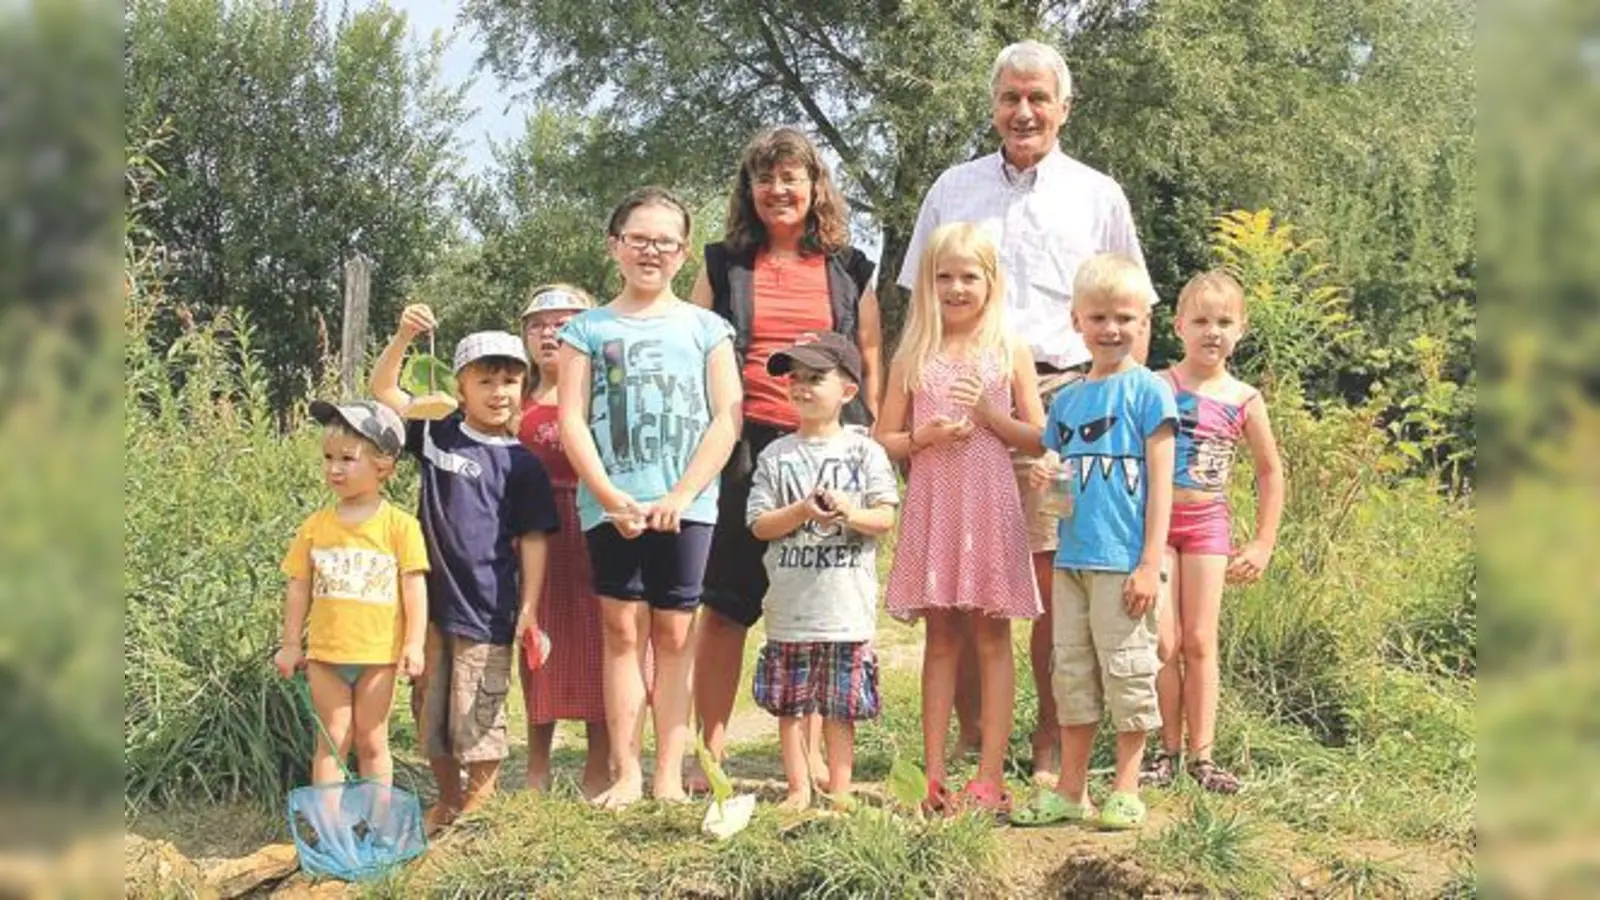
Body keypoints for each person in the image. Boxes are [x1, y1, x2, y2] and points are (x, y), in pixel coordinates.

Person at [898, 39, 1150, 782]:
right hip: (956, 394)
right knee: (962, 579)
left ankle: (1048, 739)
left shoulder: (1097, 193)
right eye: (1010, 98)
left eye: (1039, 97)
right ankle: (977, 746)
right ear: (993, 107)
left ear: (1064, 107)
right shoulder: (953, 186)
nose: (1024, 111)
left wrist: (1130, 402)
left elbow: (1132, 304)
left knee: (1043, 579)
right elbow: (918, 296)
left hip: (1065, 400)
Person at [689, 126, 883, 791]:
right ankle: (709, 757)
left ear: (814, 185)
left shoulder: (850, 266)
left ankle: (833, 770)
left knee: (831, 600)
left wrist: (871, 436)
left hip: (831, 445)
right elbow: (695, 351)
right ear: (749, 190)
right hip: (745, 446)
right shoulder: (722, 264)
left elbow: (871, 353)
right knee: (726, 604)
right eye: (764, 178)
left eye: (791, 177)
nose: (778, 190)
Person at [556, 186, 742, 808]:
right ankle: (627, 773)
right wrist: (608, 494)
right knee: (620, 630)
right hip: (611, 505)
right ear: (615, 246)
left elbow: (726, 420)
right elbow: (572, 420)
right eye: (639, 239)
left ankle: (669, 775)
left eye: (665, 241)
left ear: (684, 252)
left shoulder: (708, 328)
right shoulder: (586, 330)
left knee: (674, 632)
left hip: (687, 506)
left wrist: (683, 493)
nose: (651, 251)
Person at [876, 222, 1046, 815]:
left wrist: (988, 417)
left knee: (993, 636)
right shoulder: (914, 352)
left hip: (991, 502)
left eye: (968, 276)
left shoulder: (1008, 349)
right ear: (928, 283)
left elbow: (1040, 435)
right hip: (936, 504)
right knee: (942, 638)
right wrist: (921, 435)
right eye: (944, 276)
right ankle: (935, 773)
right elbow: (885, 438)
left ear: (991, 282)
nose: (955, 287)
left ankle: (991, 774)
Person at [371, 321, 559, 833]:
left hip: (489, 607)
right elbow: (383, 391)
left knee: (477, 710)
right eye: (485, 381)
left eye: (509, 381)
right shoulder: (436, 431)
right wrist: (404, 337)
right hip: (428, 607)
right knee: (430, 707)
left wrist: (529, 608)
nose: (498, 393)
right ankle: (447, 800)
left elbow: (536, 540)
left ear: (522, 387)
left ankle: (479, 807)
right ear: (460, 387)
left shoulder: (523, 465)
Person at [1011, 252, 1174, 831]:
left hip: (1124, 561)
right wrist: (1043, 478)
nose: (1112, 329)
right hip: (1072, 559)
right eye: (1099, 317)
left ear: (1144, 324)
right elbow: (1058, 479)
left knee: (1128, 671)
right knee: (1072, 674)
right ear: (1076, 320)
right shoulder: (1068, 402)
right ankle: (1071, 789)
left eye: (1126, 318)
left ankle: (1127, 786)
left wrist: (1151, 563)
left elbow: (1160, 485)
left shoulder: (1148, 392)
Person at [1141, 270, 1284, 794]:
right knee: (1164, 640)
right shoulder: (1158, 384)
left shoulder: (1245, 398)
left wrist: (1263, 541)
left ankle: (1202, 758)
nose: (1212, 332)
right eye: (1200, 320)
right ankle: (1164, 751)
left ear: (1241, 329)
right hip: (1157, 525)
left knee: (1201, 640)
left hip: (1207, 526)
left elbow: (1270, 472)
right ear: (1178, 327)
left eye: (1224, 322)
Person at [746, 333, 899, 810]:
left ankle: (840, 788)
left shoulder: (866, 452)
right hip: (790, 608)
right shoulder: (775, 455)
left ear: (848, 391)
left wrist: (848, 513)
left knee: (840, 706)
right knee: (791, 705)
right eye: (796, 379)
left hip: (845, 608)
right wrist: (803, 512)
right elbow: (758, 525)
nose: (803, 388)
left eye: (817, 378)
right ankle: (796, 788)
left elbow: (885, 518)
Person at [274, 400, 428, 791]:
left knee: (372, 740)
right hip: (326, 656)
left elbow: (414, 586)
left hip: (379, 656)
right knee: (331, 740)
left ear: (384, 465)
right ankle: (330, 832)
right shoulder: (315, 527)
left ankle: (378, 827)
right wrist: (291, 644)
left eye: (347, 458)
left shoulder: (400, 526)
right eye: (328, 458)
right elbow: (298, 587)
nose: (334, 468)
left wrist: (414, 643)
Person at [515, 283, 613, 798]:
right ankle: (537, 765)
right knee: (536, 643)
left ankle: (600, 764)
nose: (550, 333)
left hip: (593, 522)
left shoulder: (605, 399)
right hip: (532, 537)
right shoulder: (511, 399)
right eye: (538, 324)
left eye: (563, 323)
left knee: (604, 640)